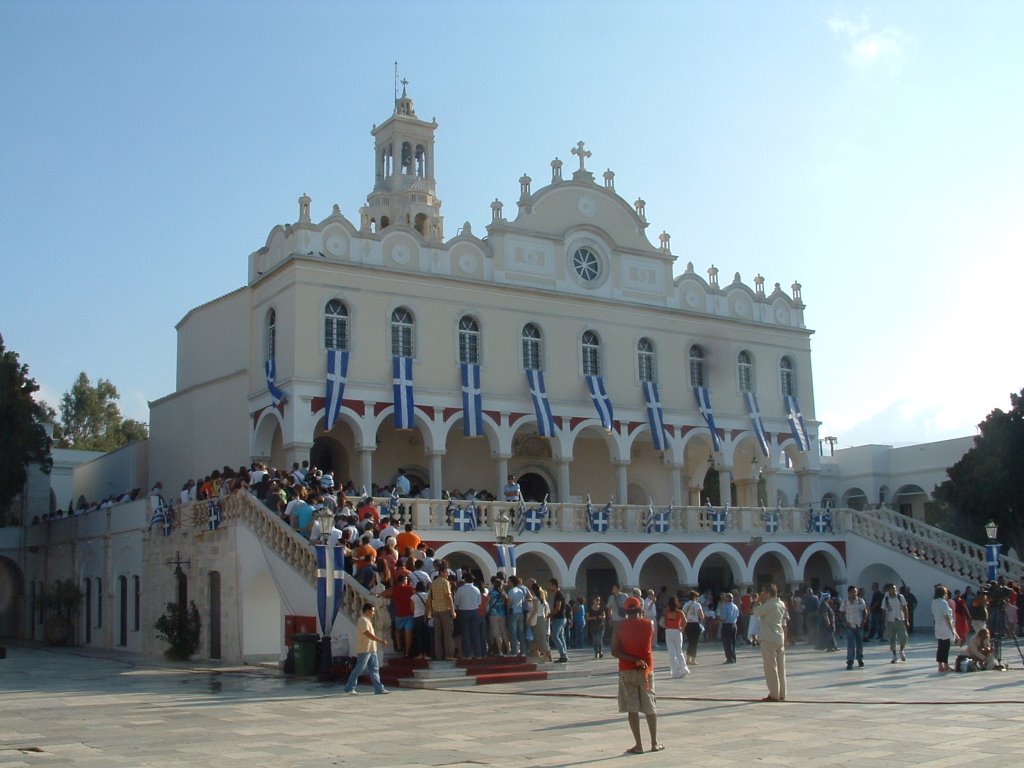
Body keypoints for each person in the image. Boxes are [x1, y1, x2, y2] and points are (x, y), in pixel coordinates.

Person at [611, 596, 664, 754]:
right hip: (646, 670)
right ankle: (654, 742)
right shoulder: (650, 624)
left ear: (625, 610)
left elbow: (615, 651)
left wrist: (634, 660)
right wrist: (640, 660)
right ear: (641, 609)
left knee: (632, 708)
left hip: (627, 669)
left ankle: (639, 745)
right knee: (650, 707)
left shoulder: (619, 626)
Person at [342, 603, 390, 695]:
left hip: (372, 649)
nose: (373, 613)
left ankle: (379, 688)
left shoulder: (368, 621)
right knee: (359, 669)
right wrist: (380, 640)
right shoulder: (362, 620)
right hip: (364, 649)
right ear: (367, 611)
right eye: (372, 611)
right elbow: (367, 633)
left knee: (374, 669)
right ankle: (349, 687)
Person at [752, 583, 787, 702]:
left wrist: (758, 600)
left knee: (770, 668)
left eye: (763, 592)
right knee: (781, 667)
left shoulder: (768, 605)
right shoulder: (781, 603)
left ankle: (774, 694)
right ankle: (782, 692)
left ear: (767, 593)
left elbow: (755, 612)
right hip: (779, 636)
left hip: (768, 638)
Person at [426, 560, 456, 660]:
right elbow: (449, 597)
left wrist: (431, 610)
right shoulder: (445, 582)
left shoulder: (433, 583)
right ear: (442, 572)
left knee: (437, 633)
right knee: (448, 633)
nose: (447, 574)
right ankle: (449, 654)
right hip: (445, 609)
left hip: (436, 610)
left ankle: (438, 654)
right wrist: (453, 611)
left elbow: (430, 598)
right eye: (446, 572)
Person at [839, 585, 868, 670]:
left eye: (855, 592)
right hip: (850, 625)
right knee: (851, 644)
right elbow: (841, 613)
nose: (854, 594)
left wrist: (864, 621)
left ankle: (860, 659)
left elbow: (865, 611)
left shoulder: (860, 601)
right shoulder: (844, 602)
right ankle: (850, 661)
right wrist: (845, 622)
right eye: (853, 592)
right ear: (849, 593)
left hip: (858, 625)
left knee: (859, 644)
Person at [932, 584, 959, 672]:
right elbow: (946, 616)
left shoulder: (934, 602)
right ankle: (946, 665)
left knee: (940, 645)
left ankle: (940, 665)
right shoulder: (943, 602)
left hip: (938, 625)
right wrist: (952, 629)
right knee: (946, 647)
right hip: (944, 626)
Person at [662, 595, 690, 677]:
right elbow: (685, 621)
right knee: (679, 651)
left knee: (671, 653)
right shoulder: (679, 612)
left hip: (668, 631)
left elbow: (664, 622)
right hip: (677, 631)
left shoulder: (666, 612)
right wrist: (682, 629)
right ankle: (683, 669)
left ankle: (675, 672)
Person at [882, 583, 909, 663]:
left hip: (900, 619)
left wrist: (906, 620)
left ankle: (901, 650)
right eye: (892, 589)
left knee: (903, 637)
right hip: (890, 621)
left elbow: (905, 608)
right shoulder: (886, 599)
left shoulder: (900, 597)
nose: (893, 590)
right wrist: (884, 622)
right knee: (892, 639)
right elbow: (883, 610)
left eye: (894, 588)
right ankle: (894, 655)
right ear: (888, 590)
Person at [548, 579, 569, 663]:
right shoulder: (559, 594)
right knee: (561, 636)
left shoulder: (558, 594)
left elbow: (558, 607)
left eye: (550, 585)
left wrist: (550, 615)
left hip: (559, 618)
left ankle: (563, 655)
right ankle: (565, 654)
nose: (549, 587)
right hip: (562, 618)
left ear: (554, 585)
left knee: (554, 636)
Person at [682, 590, 704, 666]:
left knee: (690, 642)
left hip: (687, 625)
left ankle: (688, 659)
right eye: (697, 597)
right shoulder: (697, 605)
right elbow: (701, 615)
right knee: (694, 642)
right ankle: (693, 659)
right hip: (695, 624)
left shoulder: (685, 605)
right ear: (694, 597)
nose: (698, 598)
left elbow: (683, 614)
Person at [718, 592, 739, 663]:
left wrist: (718, 621)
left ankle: (729, 658)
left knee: (727, 643)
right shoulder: (735, 606)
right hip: (734, 625)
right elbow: (737, 615)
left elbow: (723, 617)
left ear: (727, 598)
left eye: (725, 597)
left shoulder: (725, 606)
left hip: (726, 625)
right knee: (733, 642)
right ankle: (733, 657)